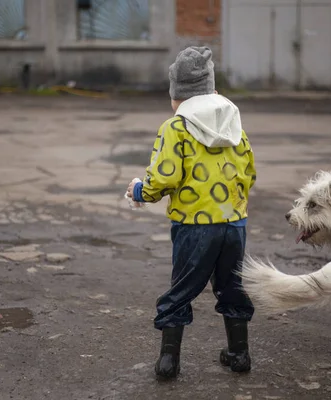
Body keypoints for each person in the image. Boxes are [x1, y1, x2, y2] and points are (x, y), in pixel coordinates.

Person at [126, 46, 256, 380]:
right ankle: (239, 354)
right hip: (234, 224)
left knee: (182, 288)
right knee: (232, 287)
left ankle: (169, 362)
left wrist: (140, 190)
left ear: (178, 96)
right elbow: (249, 173)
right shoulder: (233, 124)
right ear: (213, 90)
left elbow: (163, 178)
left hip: (195, 228)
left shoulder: (176, 127)